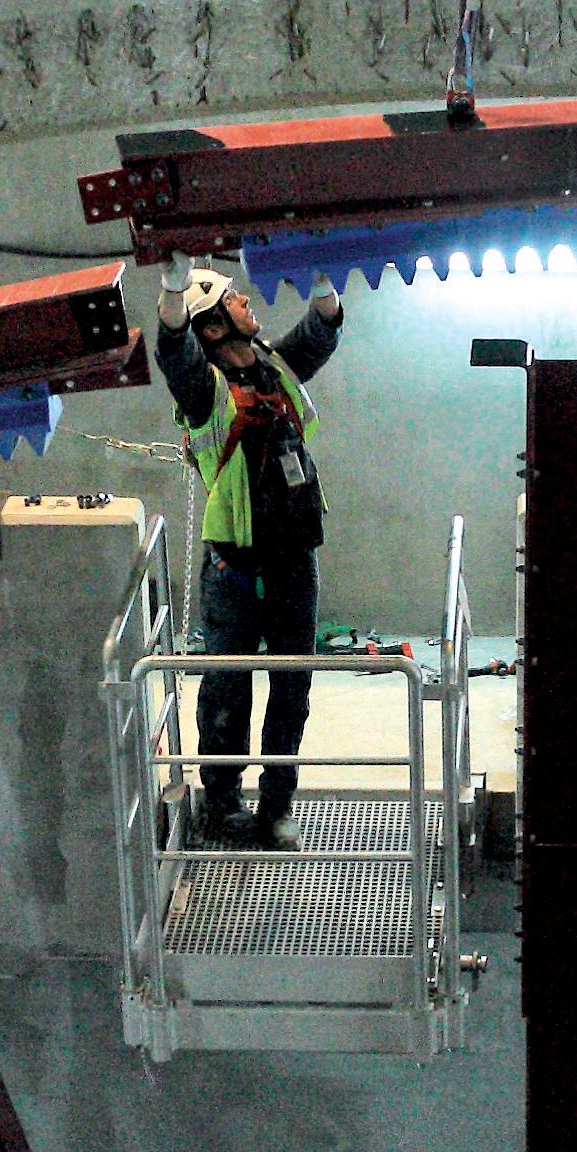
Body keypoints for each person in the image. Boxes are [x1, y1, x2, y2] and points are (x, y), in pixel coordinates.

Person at [154, 259, 349, 846]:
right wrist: (170, 287)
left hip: (295, 562)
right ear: (211, 328)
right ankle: (221, 805)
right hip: (234, 568)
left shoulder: (273, 367)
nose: (246, 303)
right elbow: (173, 352)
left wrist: (321, 277)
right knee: (227, 689)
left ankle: (277, 804)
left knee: (292, 688)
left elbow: (321, 330)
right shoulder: (205, 391)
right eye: (233, 300)